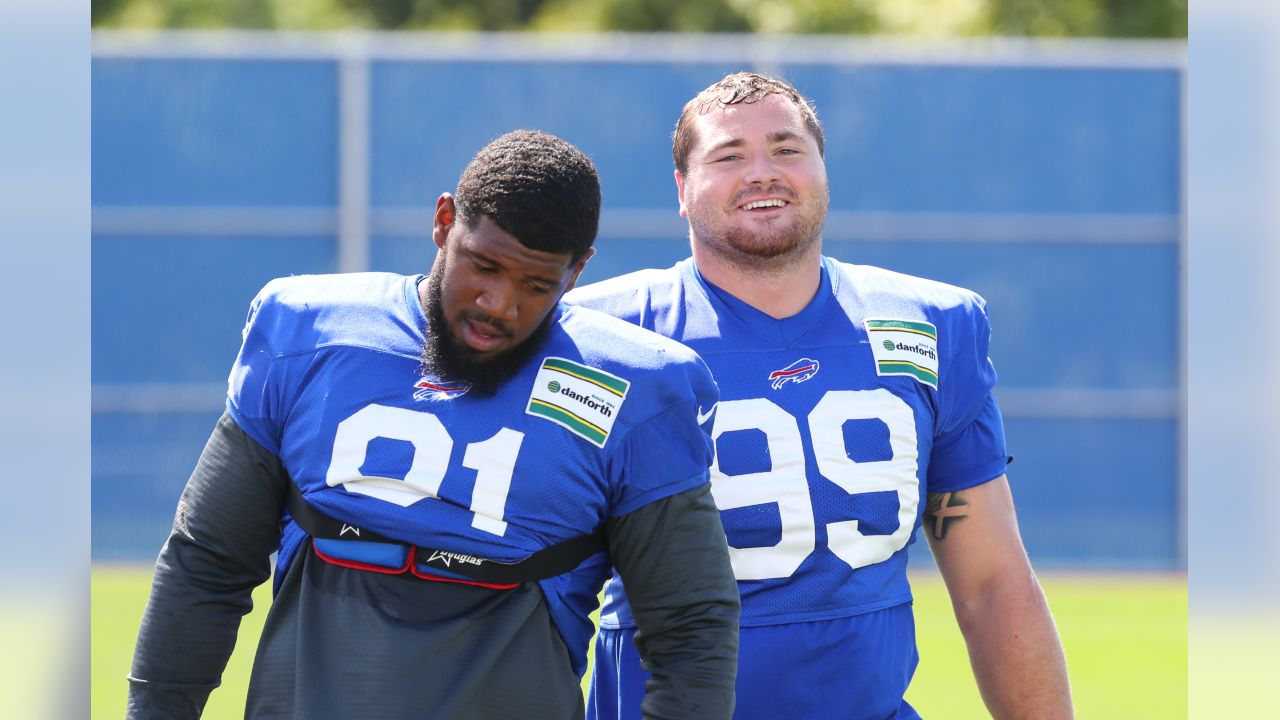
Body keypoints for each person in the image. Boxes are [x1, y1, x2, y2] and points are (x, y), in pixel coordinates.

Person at [127, 129, 740, 720]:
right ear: (445, 222)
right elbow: (206, 562)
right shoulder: (307, 336)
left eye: (536, 284)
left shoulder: (635, 393)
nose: (499, 304)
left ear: (577, 272)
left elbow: (691, 629)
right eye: (485, 265)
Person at [570, 73, 1073, 719]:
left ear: (822, 170)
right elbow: (536, 586)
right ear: (682, 189)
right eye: (728, 156)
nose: (762, 172)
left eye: (786, 149)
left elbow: (993, 583)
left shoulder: (931, 324)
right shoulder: (599, 337)